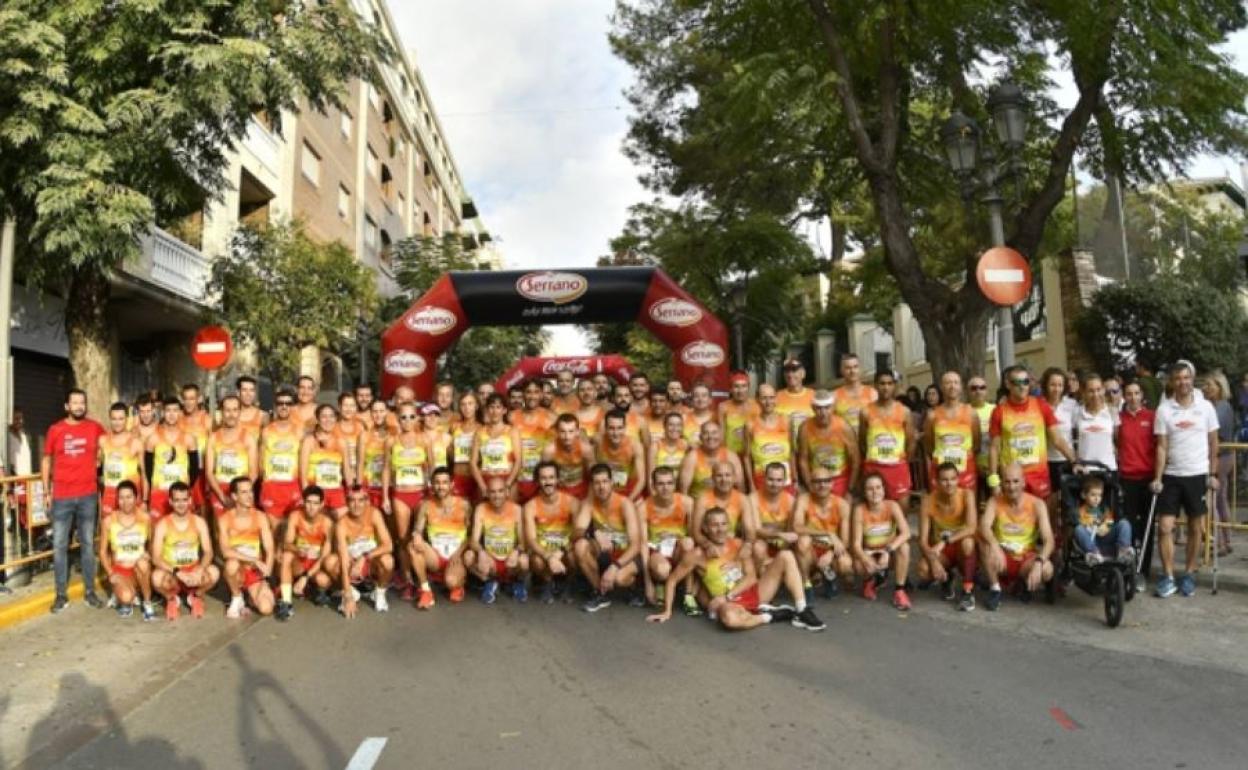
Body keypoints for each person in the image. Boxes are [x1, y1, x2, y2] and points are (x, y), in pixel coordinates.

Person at [646, 507, 826, 631]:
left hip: (751, 593)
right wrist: (667, 611)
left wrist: (728, 595)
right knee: (730, 620)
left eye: (723, 524)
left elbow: (752, 578)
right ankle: (772, 616)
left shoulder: (738, 545)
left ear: (729, 526)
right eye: (714, 525)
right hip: (730, 605)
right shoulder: (696, 555)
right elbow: (672, 580)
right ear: (706, 529)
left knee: (786, 556)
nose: (719, 529)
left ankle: (801, 609)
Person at [1150, 360, 1219, 598]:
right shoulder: (1164, 410)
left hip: (1198, 474)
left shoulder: (1206, 407)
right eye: (1178, 378)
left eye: (1186, 377)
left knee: (1195, 527)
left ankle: (1189, 573)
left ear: (1192, 379)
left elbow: (1213, 442)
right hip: (1171, 476)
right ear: (1172, 382)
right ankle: (1168, 576)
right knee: (1165, 527)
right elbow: (1161, 447)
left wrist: (1213, 474)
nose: (1183, 382)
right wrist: (1157, 477)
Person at [43, 389, 107, 614]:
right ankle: (61, 595)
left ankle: (90, 592)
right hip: (61, 497)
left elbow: (109, 447)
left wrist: (100, 461)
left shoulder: (95, 427)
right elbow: (46, 459)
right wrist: (46, 491)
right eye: (75, 402)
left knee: (88, 545)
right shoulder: (56, 429)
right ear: (66, 406)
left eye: (82, 402)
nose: (79, 406)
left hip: (88, 495)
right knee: (60, 546)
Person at [989, 365, 1076, 500]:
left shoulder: (1041, 406)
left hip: (1039, 475)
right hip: (1012, 478)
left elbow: (1057, 439)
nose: (1022, 386)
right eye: (1016, 383)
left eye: (1025, 382)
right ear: (1008, 384)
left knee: (1045, 516)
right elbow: (995, 448)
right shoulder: (999, 411)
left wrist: (1075, 461)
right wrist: (994, 480)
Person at [979, 463, 1055, 611]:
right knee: (982, 539)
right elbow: (984, 526)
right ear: (1001, 483)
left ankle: (1024, 583)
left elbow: (1049, 540)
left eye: (1015, 481)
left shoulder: (1037, 504)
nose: (1011, 487)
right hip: (1002, 558)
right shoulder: (994, 501)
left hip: (1025, 558)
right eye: (1007, 482)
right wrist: (995, 546)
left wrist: (1039, 563)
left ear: (1023, 482)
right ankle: (995, 589)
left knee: (1047, 569)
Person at [573, 464, 643, 612]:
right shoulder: (589, 503)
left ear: (612, 483)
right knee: (580, 546)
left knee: (618, 579)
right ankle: (600, 593)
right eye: (597, 483)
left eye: (605, 481)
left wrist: (614, 567)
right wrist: (593, 533)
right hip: (605, 553)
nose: (601, 486)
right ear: (592, 485)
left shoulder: (625, 504)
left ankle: (632, 586)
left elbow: (636, 545)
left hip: (626, 555)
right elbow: (577, 531)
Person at [150, 481, 219, 620]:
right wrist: (177, 572)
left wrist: (199, 569)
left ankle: (196, 595)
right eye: (177, 500)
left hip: (193, 572)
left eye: (184, 500)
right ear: (170, 501)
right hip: (173, 572)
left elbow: (208, 552)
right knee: (156, 578)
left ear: (190, 500)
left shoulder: (199, 522)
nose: (181, 504)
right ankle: (171, 598)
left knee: (214, 572)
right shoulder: (163, 524)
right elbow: (156, 557)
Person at [383, 401, 430, 598]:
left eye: (412, 417)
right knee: (402, 539)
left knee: (418, 536)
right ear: (398, 419)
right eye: (404, 417)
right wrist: (385, 496)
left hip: (420, 493)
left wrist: (432, 493)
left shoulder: (424, 439)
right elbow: (386, 469)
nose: (408, 421)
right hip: (400, 494)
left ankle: (423, 579)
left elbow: (431, 468)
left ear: (417, 418)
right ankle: (408, 579)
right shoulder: (391, 441)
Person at [410, 466, 475, 607]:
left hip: (456, 556)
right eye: (437, 482)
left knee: (451, 582)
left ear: (451, 484)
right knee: (413, 546)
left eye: (445, 482)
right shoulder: (426, 505)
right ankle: (426, 591)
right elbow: (418, 529)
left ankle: (458, 582)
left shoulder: (464, 505)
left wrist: (458, 554)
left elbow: (471, 536)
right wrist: (416, 535)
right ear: (432, 485)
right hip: (436, 556)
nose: (441, 486)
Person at [917, 463, 978, 611]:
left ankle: (968, 591)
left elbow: (972, 527)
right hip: (941, 552)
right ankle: (947, 578)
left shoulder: (966, 495)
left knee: (968, 543)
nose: (949, 483)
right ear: (936, 482)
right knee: (923, 569)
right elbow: (922, 540)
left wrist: (945, 542)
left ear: (958, 479)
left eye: (953, 479)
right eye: (944, 480)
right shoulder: (927, 501)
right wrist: (933, 562)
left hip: (960, 547)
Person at [275, 485, 338, 620]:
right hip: (300, 561)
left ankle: (314, 589)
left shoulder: (327, 523)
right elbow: (287, 544)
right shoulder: (295, 516)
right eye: (308, 502)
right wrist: (298, 550)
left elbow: (324, 557)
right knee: (286, 555)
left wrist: (306, 577)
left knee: (323, 580)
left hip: (316, 565)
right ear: (303, 502)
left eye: (315, 503)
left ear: (321, 505)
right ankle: (286, 601)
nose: (311, 507)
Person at [851, 473, 913, 609]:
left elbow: (906, 533)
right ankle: (870, 580)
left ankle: (899, 590)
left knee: (905, 547)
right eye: (870, 489)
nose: (875, 492)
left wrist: (887, 550)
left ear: (884, 489)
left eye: (878, 487)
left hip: (888, 552)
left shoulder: (892, 506)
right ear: (864, 492)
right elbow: (856, 544)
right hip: (870, 552)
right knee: (858, 565)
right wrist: (866, 560)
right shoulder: (859, 510)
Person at [217, 477, 276, 618]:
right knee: (231, 563)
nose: (250, 495)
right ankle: (237, 597)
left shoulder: (260, 517)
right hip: (238, 571)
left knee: (266, 608)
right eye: (244, 492)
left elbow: (270, 548)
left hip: (255, 572)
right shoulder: (224, 519)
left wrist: (267, 572)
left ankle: (249, 597)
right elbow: (225, 551)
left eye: (251, 491)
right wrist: (254, 560)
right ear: (234, 496)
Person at [97, 481, 157, 621]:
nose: (125, 501)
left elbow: (152, 542)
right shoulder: (108, 521)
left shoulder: (145, 518)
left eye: (129, 497)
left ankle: (147, 603)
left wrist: (149, 554)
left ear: (136, 498)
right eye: (121, 497)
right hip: (120, 570)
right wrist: (110, 573)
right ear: (117, 500)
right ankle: (124, 594)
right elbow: (102, 551)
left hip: (139, 569)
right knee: (126, 597)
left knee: (143, 564)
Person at [1118, 381, 1157, 583]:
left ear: (1142, 395)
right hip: (1127, 479)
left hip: (1148, 479)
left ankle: (1144, 569)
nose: (1133, 397)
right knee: (1129, 527)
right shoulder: (1119, 419)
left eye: (1136, 393)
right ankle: (1130, 569)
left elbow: (1160, 447)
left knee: (1148, 528)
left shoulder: (1152, 417)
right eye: (1129, 394)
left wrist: (1159, 476)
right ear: (1124, 396)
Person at [523, 461, 579, 604]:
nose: (548, 482)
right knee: (536, 561)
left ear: (558, 479)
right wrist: (549, 557)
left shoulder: (572, 502)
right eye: (543, 478)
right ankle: (547, 583)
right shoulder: (530, 506)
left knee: (577, 552)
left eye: (551, 477)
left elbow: (578, 533)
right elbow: (531, 539)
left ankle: (568, 583)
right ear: (537, 481)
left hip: (565, 549)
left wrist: (562, 550)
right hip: (544, 551)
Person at [793, 470, 852, 601]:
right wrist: (828, 533)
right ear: (811, 484)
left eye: (826, 481)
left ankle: (829, 577)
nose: (822, 485)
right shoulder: (803, 500)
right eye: (818, 482)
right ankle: (806, 584)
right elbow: (797, 527)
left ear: (832, 484)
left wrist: (830, 554)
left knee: (845, 564)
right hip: (810, 550)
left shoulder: (842, 504)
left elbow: (845, 541)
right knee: (803, 541)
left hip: (831, 550)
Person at [470, 475, 530, 604]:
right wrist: (481, 552)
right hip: (491, 560)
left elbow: (523, 542)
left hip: (510, 560)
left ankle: (517, 582)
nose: (497, 495)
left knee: (524, 561)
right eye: (492, 491)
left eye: (500, 491)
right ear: (487, 493)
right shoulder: (481, 509)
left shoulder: (517, 509)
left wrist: (516, 551)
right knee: (469, 556)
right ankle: (490, 582)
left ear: (507, 492)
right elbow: (473, 541)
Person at [639, 466, 693, 606]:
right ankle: (660, 583)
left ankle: (688, 595)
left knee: (689, 543)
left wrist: (676, 536)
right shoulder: (643, 507)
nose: (665, 488)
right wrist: (648, 583)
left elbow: (694, 536)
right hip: (657, 551)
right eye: (661, 484)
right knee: (662, 570)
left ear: (675, 484)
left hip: (678, 550)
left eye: (669, 483)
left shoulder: (687, 503)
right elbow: (643, 544)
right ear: (654, 486)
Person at [338, 484, 395, 617]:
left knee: (388, 560)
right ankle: (350, 591)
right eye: (352, 500)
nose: (356, 505)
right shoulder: (341, 523)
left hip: (370, 562)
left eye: (360, 500)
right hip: (352, 565)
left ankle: (379, 592)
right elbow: (344, 558)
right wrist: (348, 596)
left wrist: (364, 557)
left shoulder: (374, 514)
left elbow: (388, 545)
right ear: (347, 503)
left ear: (366, 502)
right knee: (332, 562)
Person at [859, 371, 916, 503]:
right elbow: (862, 441)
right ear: (875, 386)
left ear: (894, 385)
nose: (886, 387)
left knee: (902, 510)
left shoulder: (904, 411)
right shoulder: (865, 412)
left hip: (898, 466)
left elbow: (911, 441)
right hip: (874, 466)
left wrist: (903, 461)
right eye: (882, 383)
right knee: (875, 509)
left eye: (890, 383)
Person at [923, 371, 980, 491]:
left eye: (956, 382)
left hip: (965, 469)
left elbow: (976, 443)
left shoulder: (971, 413)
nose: (952, 386)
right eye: (948, 383)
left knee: (968, 505)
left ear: (961, 387)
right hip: (941, 471)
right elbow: (929, 445)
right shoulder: (932, 415)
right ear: (942, 387)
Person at [144, 396, 198, 519]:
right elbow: (148, 470)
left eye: (175, 411)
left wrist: (184, 488)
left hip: (181, 496)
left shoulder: (189, 439)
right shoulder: (153, 439)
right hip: (159, 493)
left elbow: (194, 469)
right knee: (157, 531)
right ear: (163, 413)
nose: (172, 415)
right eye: (168, 411)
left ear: (180, 413)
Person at [797, 389, 859, 496]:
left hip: (840, 480)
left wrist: (850, 489)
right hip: (817, 480)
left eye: (827, 408)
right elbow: (803, 460)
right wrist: (809, 485)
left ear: (833, 407)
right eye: (819, 408)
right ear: (812, 408)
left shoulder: (843, 427)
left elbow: (855, 459)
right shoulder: (805, 428)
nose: (823, 413)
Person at [204, 395, 258, 516]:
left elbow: (254, 472)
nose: (231, 414)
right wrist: (222, 497)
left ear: (239, 412)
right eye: (227, 410)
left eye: (234, 410)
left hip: (242, 491)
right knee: (219, 531)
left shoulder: (248, 438)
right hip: (220, 490)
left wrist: (241, 495)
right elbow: (209, 472)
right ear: (221, 412)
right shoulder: (213, 438)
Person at [259, 388, 304, 523]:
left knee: (291, 531)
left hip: (292, 486)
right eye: (280, 403)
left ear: (292, 407)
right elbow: (260, 460)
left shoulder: (300, 431)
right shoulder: (266, 431)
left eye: (288, 403)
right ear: (275, 406)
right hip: (272, 487)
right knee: (274, 532)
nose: (284, 406)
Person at [1202, 373, 1235, 556]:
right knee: (1221, 499)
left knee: (1212, 500)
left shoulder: (1220, 407)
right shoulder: (1221, 406)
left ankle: (1219, 541)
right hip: (1224, 456)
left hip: (1219, 457)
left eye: (1209, 384)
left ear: (1219, 387)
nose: (1206, 388)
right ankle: (1226, 540)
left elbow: (1213, 433)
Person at [300, 404, 350, 518]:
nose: (328, 420)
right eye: (324, 416)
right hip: (316, 492)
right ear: (317, 419)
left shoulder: (341, 442)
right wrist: (307, 497)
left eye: (331, 416)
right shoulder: (309, 441)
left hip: (336, 492)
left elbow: (347, 471)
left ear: (336, 419)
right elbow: (303, 473)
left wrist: (352, 493)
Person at [745, 384, 796, 493]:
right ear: (757, 399)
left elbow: (792, 452)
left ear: (776, 398)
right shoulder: (750, 425)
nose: (768, 402)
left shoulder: (786, 421)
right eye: (764, 398)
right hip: (761, 479)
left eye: (771, 398)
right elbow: (746, 457)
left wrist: (795, 480)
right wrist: (751, 484)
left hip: (785, 479)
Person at [691, 461, 756, 547]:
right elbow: (696, 532)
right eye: (719, 475)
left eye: (727, 475)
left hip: (732, 543)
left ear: (734, 478)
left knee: (758, 548)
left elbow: (750, 530)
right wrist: (707, 545)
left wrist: (747, 546)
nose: (724, 479)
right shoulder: (702, 500)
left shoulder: (742, 499)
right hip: (709, 543)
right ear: (712, 478)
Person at [510, 379, 555, 502]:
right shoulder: (511, 417)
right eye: (528, 392)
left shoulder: (551, 419)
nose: (532, 396)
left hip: (540, 481)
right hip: (516, 479)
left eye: (536, 392)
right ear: (523, 394)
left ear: (541, 394)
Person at [1072, 476, 1132, 564]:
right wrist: (1090, 525)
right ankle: (1093, 554)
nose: (1097, 499)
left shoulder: (1103, 509)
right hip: (1091, 540)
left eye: (1099, 495)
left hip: (1105, 538)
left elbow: (1110, 521)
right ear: (1084, 495)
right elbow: (1079, 523)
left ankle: (1123, 550)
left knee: (1124, 523)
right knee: (1078, 529)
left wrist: (1105, 527)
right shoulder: (1079, 511)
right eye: (1093, 495)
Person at [99, 402, 145, 515]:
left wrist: (145, 500)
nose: (117, 423)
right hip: (109, 495)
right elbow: (98, 470)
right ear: (110, 419)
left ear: (126, 419)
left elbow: (144, 474)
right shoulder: (102, 441)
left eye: (120, 419)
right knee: (109, 529)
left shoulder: (136, 443)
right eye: (114, 419)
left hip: (129, 496)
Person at [471, 393, 521, 495]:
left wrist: (508, 484)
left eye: (498, 407)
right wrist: (482, 486)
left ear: (504, 410)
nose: (495, 411)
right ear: (487, 410)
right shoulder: (479, 432)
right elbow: (472, 462)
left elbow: (519, 461)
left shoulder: (512, 431)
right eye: (491, 407)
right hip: (485, 480)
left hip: (506, 479)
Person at [679, 421, 744, 497]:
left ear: (720, 436)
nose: (710, 437)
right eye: (706, 433)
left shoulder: (731, 456)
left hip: (725, 503)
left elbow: (740, 487)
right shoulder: (692, 457)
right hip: (698, 503)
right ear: (700, 437)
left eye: (714, 433)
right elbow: (683, 491)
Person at [595, 409, 646, 501]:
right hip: (604, 490)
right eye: (611, 428)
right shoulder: (598, 441)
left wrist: (628, 501)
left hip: (629, 491)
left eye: (619, 428)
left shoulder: (635, 446)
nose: (616, 433)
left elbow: (641, 480)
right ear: (605, 428)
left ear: (625, 428)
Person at [178, 383, 213, 512]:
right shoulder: (178, 419)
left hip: (202, 470)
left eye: (192, 398)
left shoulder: (207, 420)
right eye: (186, 399)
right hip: (184, 470)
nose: (188, 402)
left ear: (199, 399)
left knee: (203, 507)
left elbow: (213, 447)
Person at [543, 413, 594, 499]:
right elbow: (543, 477)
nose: (567, 437)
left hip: (581, 489)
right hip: (558, 491)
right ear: (557, 432)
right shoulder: (549, 450)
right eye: (563, 431)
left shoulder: (586, 449)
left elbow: (593, 475)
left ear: (577, 432)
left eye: (571, 431)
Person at [358, 398, 391, 510]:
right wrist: (359, 487)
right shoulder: (364, 435)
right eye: (375, 411)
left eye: (381, 411)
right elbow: (360, 463)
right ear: (370, 413)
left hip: (391, 485)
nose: (378, 415)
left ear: (387, 412)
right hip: (370, 485)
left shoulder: (395, 434)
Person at [647, 411, 690, 496]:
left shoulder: (686, 446)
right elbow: (650, 478)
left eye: (678, 425)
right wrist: (655, 498)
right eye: (671, 425)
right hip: (659, 493)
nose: (675, 428)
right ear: (664, 426)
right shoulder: (655, 447)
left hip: (679, 492)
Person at [449, 392, 482, 501]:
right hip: (458, 476)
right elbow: (449, 453)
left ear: (476, 406)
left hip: (476, 478)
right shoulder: (454, 427)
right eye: (463, 404)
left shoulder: (482, 428)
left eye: (470, 403)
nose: (467, 408)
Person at [831, 354, 878, 427]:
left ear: (860, 369)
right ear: (841, 371)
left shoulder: (872, 393)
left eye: (855, 367)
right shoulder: (834, 395)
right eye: (848, 368)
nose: (852, 371)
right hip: (845, 437)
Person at [719, 372, 759, 458]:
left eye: (744, 386)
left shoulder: (757, 406)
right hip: (731, 454)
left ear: (748, 388)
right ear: (730, 389)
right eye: (736, 386)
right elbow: (721, 434)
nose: (740, 391)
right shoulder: (723, 407)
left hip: (752, 454)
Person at [774, 358, 815, 440]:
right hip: (786, 449)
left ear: (803, 373)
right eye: (787, 371)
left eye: (794, 370)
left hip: (810, 448)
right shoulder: (775, 398)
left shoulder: (814, 396)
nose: (790, 375)